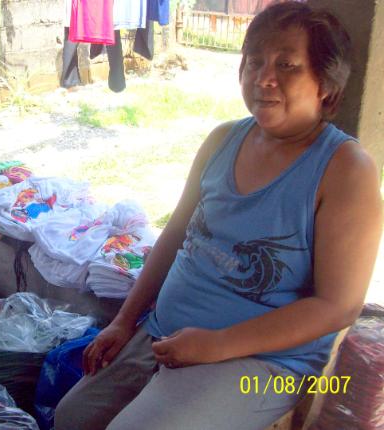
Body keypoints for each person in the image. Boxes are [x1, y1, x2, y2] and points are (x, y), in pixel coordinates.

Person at [54, 2, 383, 429]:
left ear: (326, 82)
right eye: (254, 61)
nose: (263, 78)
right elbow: (176, 233)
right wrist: (123, 321)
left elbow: (337, 306)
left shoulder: (345, 170)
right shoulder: (223, 139)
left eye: (286, 65)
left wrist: (217, 344)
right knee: (71, 417)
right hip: (164, 333)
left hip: (264, 362)